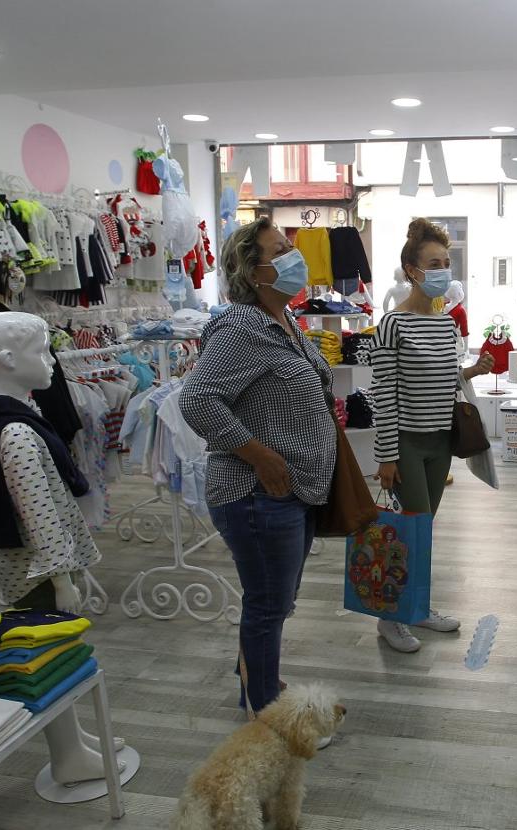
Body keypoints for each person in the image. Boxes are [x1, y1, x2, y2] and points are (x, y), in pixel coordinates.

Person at [179, 217, 337, 719]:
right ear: (253, 271)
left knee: (276, 599)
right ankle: (264, 708)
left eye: (291, 247)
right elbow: (199, 399)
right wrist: (260, 454)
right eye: (280, 250)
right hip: (257, 492)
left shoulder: (285, 323)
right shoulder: (241, 325)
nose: (294, 256)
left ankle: (256, 672)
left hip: (293, 489)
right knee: (269, 604)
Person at [370, 218, 494, 653]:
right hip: (405, 442)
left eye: (446, 262)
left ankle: (417, 608)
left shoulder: (446, 325)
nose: (443, 270)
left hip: (441, 442)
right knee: (411, 531)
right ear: (411, 270)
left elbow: (441, 379)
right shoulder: (391, 325)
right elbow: (383, 394)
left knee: (425, 531)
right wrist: (385, 457)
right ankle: (391, 618)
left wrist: (471, 372)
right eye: (433, 263)